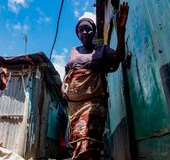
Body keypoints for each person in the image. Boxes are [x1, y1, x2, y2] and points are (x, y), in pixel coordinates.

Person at [61, 2, 129, 160]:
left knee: (91, 139)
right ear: (78, 33)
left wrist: (120, 32)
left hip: (94, 101)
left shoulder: (102, 50)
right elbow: (67, 72)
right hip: (74, 104)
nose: (84, 32)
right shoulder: (73, 51)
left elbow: (117, 58)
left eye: (88, 29)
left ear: (94, 32)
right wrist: (63, 85)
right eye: (81, 29)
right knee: (79, 140)